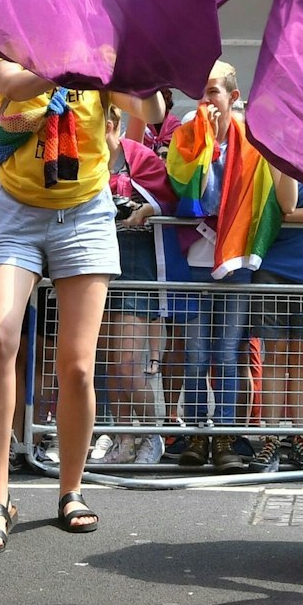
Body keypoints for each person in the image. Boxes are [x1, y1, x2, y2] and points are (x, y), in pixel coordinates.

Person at [0, 57, 144, 553]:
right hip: (14, 212)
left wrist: (148, 62)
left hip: (85, 214)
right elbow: (15, 85)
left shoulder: (105, 63)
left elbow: (147, 107)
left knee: (78, 368)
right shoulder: (11, 47)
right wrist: (76, 62)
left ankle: (71, 489)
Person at [165, 63, 271, 473]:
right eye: (202, 93)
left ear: (233, 97)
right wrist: (205, 143)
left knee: (227, 353)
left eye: (213, 92)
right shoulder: (189, 136)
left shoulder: (251, 139)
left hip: (236, 258)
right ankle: (195, 434)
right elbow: (189, 192)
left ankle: (224, 434)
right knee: (194, 353)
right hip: (196, 257)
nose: (206, 101)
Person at [101, 109, 171, 464]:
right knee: (112, 363)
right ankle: (123, 437)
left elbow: (169, 198)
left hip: (138, 260)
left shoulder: (139, 155)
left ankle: (152, 433)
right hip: (99, 260)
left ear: (113, 124)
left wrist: (145, 209)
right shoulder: (87, 158)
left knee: (129, 361)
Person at [252, 172, 303, 469]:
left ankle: (301, 437)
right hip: (270, 263)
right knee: (275, 355)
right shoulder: (266, 155)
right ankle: (271, 439)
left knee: (302, 357)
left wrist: (289, 217)